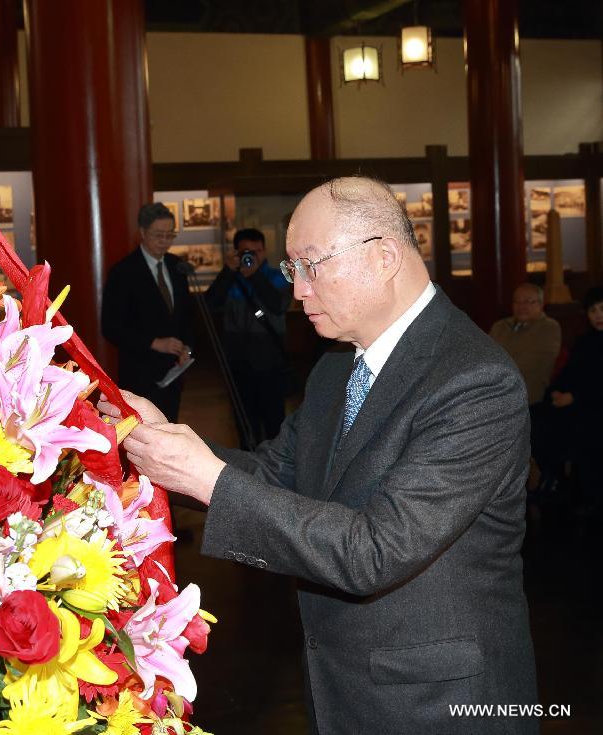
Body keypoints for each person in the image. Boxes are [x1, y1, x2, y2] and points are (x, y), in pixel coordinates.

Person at [102, 177, 538, 733]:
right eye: (291, 271)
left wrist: (209, 479)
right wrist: (163, 441)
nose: (298, 292)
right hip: (343, 682)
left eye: (311, 266)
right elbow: (278, 472)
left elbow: (376, 550)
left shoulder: (474, 380)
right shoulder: (339, 366)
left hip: (439, 699)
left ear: (383, 256)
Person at [101, 203, 193, 423]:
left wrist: (187, 347)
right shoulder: (123, 271)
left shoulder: (177, 266)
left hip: (173, 372)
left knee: (170, 427)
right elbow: (111, 326)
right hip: (140, 373)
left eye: (170, 235)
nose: (165, 241)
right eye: (158, 235)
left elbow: (186, 314)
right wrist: (153, 342)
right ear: (142, 232)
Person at [205, 228, 292, 447]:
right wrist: (227, 271)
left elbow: (278, 305)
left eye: (257, 251)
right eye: (246, 252)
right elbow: (209, 305)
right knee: (245, 425)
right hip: (238, 365)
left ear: (264, 251)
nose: (252, 256)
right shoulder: (230, 279)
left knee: (274, 425)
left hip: (270, 363)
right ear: (236, 252)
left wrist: (254, 275)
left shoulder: (277, 277)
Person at [532, 286, 603, 508]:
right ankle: (552, 477)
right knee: (534, 416)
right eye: (593, 311)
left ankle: (584, 494)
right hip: (576, 402)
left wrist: (575, 397)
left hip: (594, 405)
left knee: (582, 426)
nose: (598, 316)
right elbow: (568, 374)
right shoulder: (585, 342)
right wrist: (555, 392)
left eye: (602, 309)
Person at [489, 283, 561, 406]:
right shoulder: (499, 326)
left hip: (528, 392)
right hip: (492, 389)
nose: (521, 306)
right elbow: (485, 355)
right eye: (517, 302)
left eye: (528, 301)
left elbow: (535, 362)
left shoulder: (549, 327)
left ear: (541, 304)